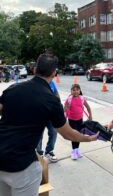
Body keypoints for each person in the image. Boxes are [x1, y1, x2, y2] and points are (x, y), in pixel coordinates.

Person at [0, 53, 98, 196]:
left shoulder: (12, 89)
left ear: (34, 70)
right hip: (22, 165)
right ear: (54, 73)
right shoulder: (51, 100)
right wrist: (88, 138)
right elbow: (68, 134)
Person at [64, 84, 93, 160]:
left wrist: (90, 116)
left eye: (77, 90)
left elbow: (88, 107)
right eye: (73, 90)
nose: (75, 91)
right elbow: (64, 109)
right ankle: (73, 151)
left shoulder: (82, 98)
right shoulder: (69, 99)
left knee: (79, 135)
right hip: (71, 120)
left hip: (80, 120)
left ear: (80, 91)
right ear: (71, 91)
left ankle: (77, 150)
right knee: (73, 135)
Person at [36, 79, 59, 163]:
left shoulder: (51, 82)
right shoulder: (35, 83)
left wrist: (58, 105)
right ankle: (39, 153)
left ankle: (49, 151)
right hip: (39, 114)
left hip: (51, 114)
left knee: (53, 132)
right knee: (39, 135)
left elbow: (56, 94)